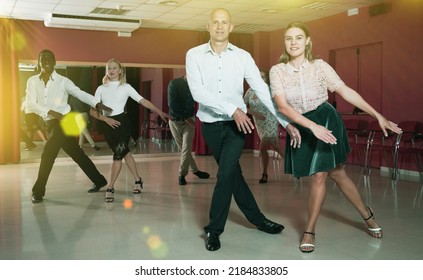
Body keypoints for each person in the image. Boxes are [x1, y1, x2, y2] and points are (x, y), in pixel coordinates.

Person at [269, 22, 403, 253]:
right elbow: (283, 107)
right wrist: (311, 127)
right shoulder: (277, 71)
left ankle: (309, 230)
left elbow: (346, 91)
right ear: (285, 42)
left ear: (308, 40)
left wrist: (377, 115)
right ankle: (367, 214)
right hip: (304, 124)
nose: (293, 42)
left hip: (326, 120)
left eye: (299, 37)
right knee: (338, 174)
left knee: (320, 176)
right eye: (289, 38)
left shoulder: (320, 66)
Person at [185, 8, 300, 251]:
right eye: (215, 22)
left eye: (224, 22)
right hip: (210, 126)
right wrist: (232, 109)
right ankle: (258, 220)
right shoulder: (194, 55)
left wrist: (286, 122)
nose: (219, 26)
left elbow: (262, 91)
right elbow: (198, 92)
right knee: (233, 176)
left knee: (226, 174)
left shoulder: (243, 56)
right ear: (208, 26)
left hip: (237, 126)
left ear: (231, 27)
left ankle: (213, 230)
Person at [25, 49, 112, 203]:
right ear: (38, 62)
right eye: (43, 58)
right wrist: (51, 111)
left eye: (50, 58)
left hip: (65, 120)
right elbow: (31, 104)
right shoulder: (32, 81)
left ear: (54, 62)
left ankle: (38, 191)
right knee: (76, 153)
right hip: (51, 122)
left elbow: (79, 93)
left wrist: (96, 103)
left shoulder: (63, 81)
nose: (47, 60)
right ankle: (99, 180)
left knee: (48, 154)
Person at [91, 58, 172, 203]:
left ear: (120, 70)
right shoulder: (101, 89)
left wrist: (159, 112)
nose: (111, 71)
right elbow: (92, 111)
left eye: (115, 68)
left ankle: (110, 187)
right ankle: (138, 180)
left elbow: (143, 101)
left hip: (122, 124)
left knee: (117, 156)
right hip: (108, 126)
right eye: (109, 68)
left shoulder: (126, 87)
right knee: (125, 153)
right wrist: (106, 119)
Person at [167, 76, 210, 185]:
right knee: (183, 149)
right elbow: (172, 105)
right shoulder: (174, 83)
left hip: (190, 120)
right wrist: (186, 119)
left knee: (186, 148)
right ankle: (195, 170)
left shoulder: (196, 85)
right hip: (175, 121)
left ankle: (182, 174)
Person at [244, 70, 285, 183]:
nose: (261, 79)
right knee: (275, 146)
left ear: (267, 79)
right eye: (259, 76)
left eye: (263, 77)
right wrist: (254, 113)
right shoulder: (250, 91)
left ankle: (264, 174)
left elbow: (279, 105)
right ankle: (294, 166)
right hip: (259, 123)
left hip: (270, 120)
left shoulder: (270, 90)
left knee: (263, 146)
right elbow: (242, 106)